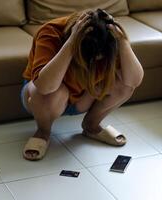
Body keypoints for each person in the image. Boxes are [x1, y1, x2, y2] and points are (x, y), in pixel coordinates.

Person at [20, 9, 144, 161]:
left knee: (125, 85)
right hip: (44, 98)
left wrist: (123, 42)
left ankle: (92, 126)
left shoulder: (109, 37)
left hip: (83, 96)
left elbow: (134, 81)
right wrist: (71, 43)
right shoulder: (51, 31)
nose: (94, 62)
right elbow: (44, 86)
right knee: (49, 92)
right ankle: (43, 131)